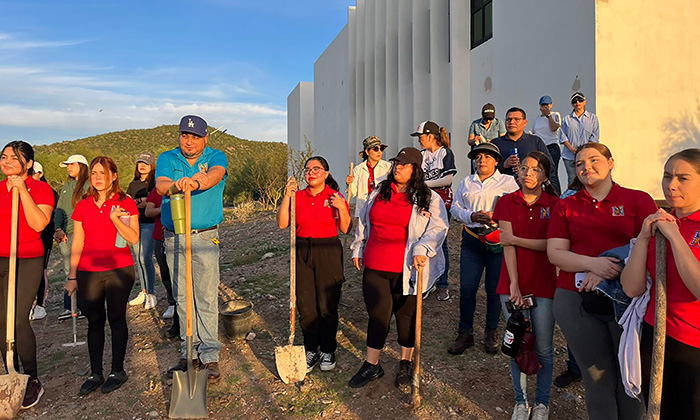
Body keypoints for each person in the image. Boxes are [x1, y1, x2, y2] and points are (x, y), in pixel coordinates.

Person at [547, 143, 656, 420]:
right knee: (596, 376)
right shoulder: (566, 206)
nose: (586, 167)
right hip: (576, 298)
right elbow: (556, 254)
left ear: (611, 162)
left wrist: (611, 266)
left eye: (594, 160)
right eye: (580, 163)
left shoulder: (637, 200)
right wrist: (593, 264)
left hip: (628, 301)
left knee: (631, 375)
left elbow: (651, 247)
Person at [348, 147, 448, 388]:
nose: (398, 168)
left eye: (404, 164)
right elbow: (363, 220)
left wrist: (423, 248)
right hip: (375, 265)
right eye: (396, 164)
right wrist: (357, 247)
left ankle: (405, 362)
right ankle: (372, 365)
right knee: (377, 317)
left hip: (409, 269)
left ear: (415, 169)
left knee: (406, 317)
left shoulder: (428, 198)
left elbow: (438, 228)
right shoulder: (378, 192)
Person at [621, 148, 700, 420]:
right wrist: (643, 238)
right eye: (667, 176)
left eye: (682, 178)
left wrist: (676, 238)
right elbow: (632, 289)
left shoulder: (675, 228)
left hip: (694, 345)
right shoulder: (659, 224)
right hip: (655, 336)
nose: (671, 185)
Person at [157, 115, 227, 382]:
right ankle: (190, 352)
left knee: (206, 296)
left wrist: (196, 182)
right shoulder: (167, 158)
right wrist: (176, 185)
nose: (189, 141)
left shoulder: (216, 156)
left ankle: (210, 355)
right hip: (176, 237)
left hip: (204, 238)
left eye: (195, 136)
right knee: (183, 296)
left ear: (205, 138)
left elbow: (214, 176)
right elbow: (161, 184)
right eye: (185, 135)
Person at [493, 151, 559, 420]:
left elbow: (552, 246)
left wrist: (517, 240)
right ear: (517, 173)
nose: (529, 174)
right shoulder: (507, 202)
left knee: (543, 347)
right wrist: (515, 286)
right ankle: (521, 402)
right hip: (511, 285)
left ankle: (542, 403)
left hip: (545, 285)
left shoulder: (555, 205)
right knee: (517, 345)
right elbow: (506, 246)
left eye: (535, 170)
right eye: (524, 169)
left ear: (545, 175)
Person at [65, 157, 139, 395]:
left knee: (117, 319)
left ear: (114, 176)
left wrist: (115, 218)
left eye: (103, 173)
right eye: (94, 173)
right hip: (88, 272)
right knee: (94, 321)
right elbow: (78, 241)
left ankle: (118, 371)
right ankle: (95, 372)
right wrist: (72, 276)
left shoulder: (125, 202)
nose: (97, 177)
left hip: (119, 270)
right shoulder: (83, 205)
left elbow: (134, 237)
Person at [277, 156, 351, 372]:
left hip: (327, 249)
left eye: (317, 169)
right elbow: (283, 223)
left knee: (327, 304)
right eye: (307, 169)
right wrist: (286, 196)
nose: (311, 173)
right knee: (306, 304)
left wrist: (342, 208)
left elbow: (345, 229)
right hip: (302, 249)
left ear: (326, 173)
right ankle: (311, 349)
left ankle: (327, 349)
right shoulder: (297, 197)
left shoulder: (335, 197)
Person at [448, 142, 519, 355]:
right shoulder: (466, 181)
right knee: (468, 288)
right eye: (478, 157)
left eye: (487, 157)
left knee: (494, 289)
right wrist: (471, 216)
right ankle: (465, 332)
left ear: (496, 161)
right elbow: (455, 207)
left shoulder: (508, 182)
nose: (482, 160)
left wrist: (496, 219)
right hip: (472, 239)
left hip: (496, 241)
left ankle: (491, 331)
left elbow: (517, 209)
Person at [0, 141, 54, 409]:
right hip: (1, 258)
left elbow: (38, 224)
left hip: (27, 259)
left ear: (29, 164)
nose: (7, 161)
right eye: (4, 156)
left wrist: (22, 192)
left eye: (14, 157)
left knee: (18, 319)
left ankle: (32, 379)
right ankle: (11, 374)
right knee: (0, 320)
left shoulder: (41, 189)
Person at [412, 121, 457, 301]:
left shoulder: (445, 153)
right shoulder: (421, 155)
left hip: (441, 204)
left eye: (421, 137)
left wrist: (424, 184)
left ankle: (443, 284)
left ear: (430, 136)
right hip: (423, 202)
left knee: (441, 243)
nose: (419, 141)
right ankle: (425, 282)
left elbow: (448, 179)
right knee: (422, 240)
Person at [54, 154, 90, 320]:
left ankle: (84, 306)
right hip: (67, 233)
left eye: (71, 164)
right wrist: (58, 228)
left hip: (84, 230)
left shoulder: (89, 184)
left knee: (83, 268)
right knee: (69, 268)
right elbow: (59, 210)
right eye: (67, 165)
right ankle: (69, 307)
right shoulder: (67, 186)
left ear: (81, 166)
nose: (68, 167)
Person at [145, 187, 179, 337]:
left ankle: (181, 321)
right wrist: (164, 211)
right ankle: (173, 308)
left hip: (179, 236)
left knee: (179, 279)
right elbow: (148, 211)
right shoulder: (158, 190)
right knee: (166, 274)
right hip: (160, 236)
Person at [126, 153, 157, 310]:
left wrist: (140, 203)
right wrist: (141, 201)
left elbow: (151, 203)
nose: (142, 165)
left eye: (145, 163)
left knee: (145, 257)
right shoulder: (134, 184)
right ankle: (143, 291)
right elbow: (128, 203)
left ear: (152, 165)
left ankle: (151, 293)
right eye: (139, 162)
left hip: (150, 223)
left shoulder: (156, 183)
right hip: (136, 224)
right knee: (138, 258)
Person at [30, 162, 58, 321]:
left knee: (41, 269)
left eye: (35, 172)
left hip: (44, 235)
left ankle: (41, 304)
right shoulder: (27, 191)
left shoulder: (48, 191)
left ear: (41, 173)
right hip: (28, 236)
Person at [491, 107, 552, 178]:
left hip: (529, 185)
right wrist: (504, 165)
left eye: (516, 119)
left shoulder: (535, 141)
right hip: (502, 186)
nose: (511, 122)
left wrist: (527, 169)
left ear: (525, 122)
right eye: (508, 120)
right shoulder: (496, 144)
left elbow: (550, 166)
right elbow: (485, 169)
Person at [560, 92, 600, 187]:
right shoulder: (567, 119)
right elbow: (562, 136)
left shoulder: (592, 118)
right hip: (570, 155)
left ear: (585, 102)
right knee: (572, 180)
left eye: (580, 100)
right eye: (575, 101)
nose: (577, 102)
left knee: (588, 178)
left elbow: (595, 135)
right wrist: (572, 149)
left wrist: (584, 149)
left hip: (587, 156)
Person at [346, 135, 391, 218]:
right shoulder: (359, 169)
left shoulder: (388, 167)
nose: (379, 152)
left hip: (382, 210)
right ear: (367, 151)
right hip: (364, 210)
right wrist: (349, 183)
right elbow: (353, 192)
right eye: (376, 149)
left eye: (381, 149)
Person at [532, 96, 562, 195]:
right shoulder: (537, 119)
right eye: (543, 105)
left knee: (552, 172)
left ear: (551, 105)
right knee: (540, 171)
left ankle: (556, 195)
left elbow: (554, 128)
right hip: (540, 147)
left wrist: (548, 115)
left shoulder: (555, 115)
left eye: (547, 105)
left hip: (552, 146)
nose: (545, 107)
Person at [468, 103, 506, 174]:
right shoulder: (475, 124)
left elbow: (503, 139)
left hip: (493, 152)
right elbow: (469, 141)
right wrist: (475, 139)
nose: (488, 121)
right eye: (486, 119)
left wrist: (493, 141)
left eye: (490, 119)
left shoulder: (499, 123)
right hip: (480, 151)